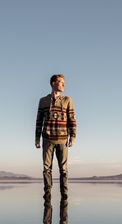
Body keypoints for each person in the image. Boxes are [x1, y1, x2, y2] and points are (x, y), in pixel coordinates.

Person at [35, 74, 77, 202]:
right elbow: (39, 121)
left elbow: (72, 120)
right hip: (47, 139)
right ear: (53, 83)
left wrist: (73, 137)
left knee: (63, 169)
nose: (63, 84)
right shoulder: (43, 101)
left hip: (63, 139)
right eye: (60, 82)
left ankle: (64, 194)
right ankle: (47, 193)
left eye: (63, 82)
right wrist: (37, 138)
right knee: (46, 168)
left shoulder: (67, 100)